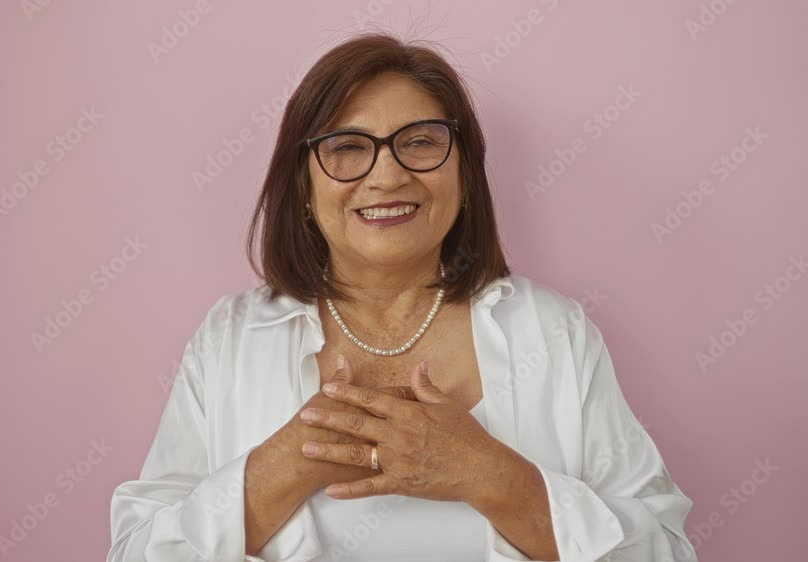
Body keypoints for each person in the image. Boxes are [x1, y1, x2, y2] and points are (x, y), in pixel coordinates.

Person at [107, 33, 697, 562]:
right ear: (303, 185)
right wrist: (284, 467)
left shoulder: (553, 332)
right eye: (347, 146)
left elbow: (667, 551)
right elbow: (134, 552)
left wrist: (490, 475)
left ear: (464, 175)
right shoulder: (230, 339)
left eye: (419, 142)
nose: (387, 176)